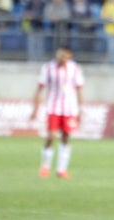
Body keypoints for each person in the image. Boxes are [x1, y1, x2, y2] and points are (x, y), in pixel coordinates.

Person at [30, 46, 85, 179]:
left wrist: (80, 110)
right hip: (53, 107)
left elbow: (79, 90)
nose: (62, 58)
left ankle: (61, 169)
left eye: (65, 56)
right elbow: (39, 88)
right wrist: (35, 108)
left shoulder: (75, 69)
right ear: (56, 54)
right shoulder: (48, 68)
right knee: (51, 136)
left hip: (70, 109)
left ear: (69, 57)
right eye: (60, 55)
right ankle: (45, 166)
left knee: (66, 137)